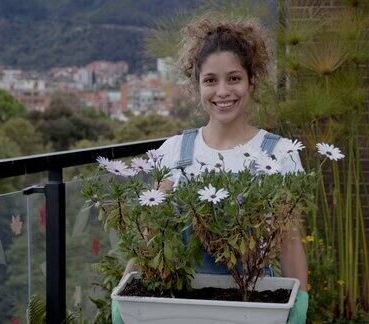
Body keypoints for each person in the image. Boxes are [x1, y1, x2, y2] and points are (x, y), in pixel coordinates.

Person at [112, 14, 309, 324]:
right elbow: (152, 237)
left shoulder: (280, 154)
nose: (222, 92)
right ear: (197, 85)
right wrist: (125, 294)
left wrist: (300, 304)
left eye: (234, 78)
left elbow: (290, 241)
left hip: (254, 307)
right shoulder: (175, 152)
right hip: (180, 309)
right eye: (210, 80)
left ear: (251, 80)